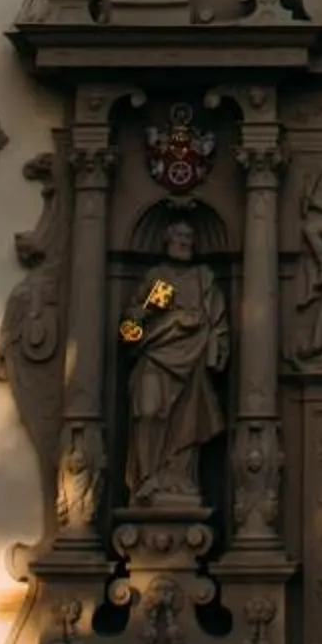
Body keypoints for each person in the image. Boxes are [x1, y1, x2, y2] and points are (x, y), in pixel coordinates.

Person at [121, 217, 230, 509]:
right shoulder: (155, 277)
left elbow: (219, 324)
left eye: (189, 238)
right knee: (147, 413)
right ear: (166, 241)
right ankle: (147, 477)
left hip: (192, 361)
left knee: (185, 423)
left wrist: (216, 347)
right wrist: (143, 314)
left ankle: (178, 480)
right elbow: (127, 334)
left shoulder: (204, 278)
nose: (184, 242)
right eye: (179, 237)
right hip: (154, 355)